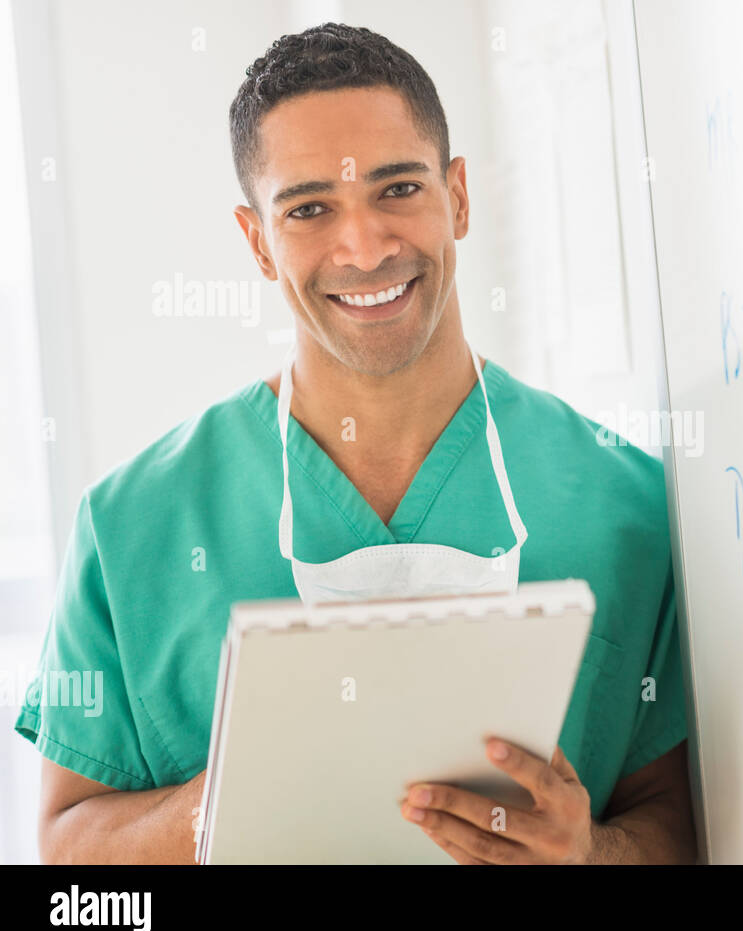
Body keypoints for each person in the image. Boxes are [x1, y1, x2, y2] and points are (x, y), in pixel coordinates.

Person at [15, 22, 695, 865]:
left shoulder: (624, 501)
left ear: (460, 197)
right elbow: (65, 850)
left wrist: (588, 853)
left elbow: (676, 819)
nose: (366, 247)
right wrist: (237, 794)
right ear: (258, 240)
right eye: (309, 209)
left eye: (399, 189)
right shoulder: (131, 527)